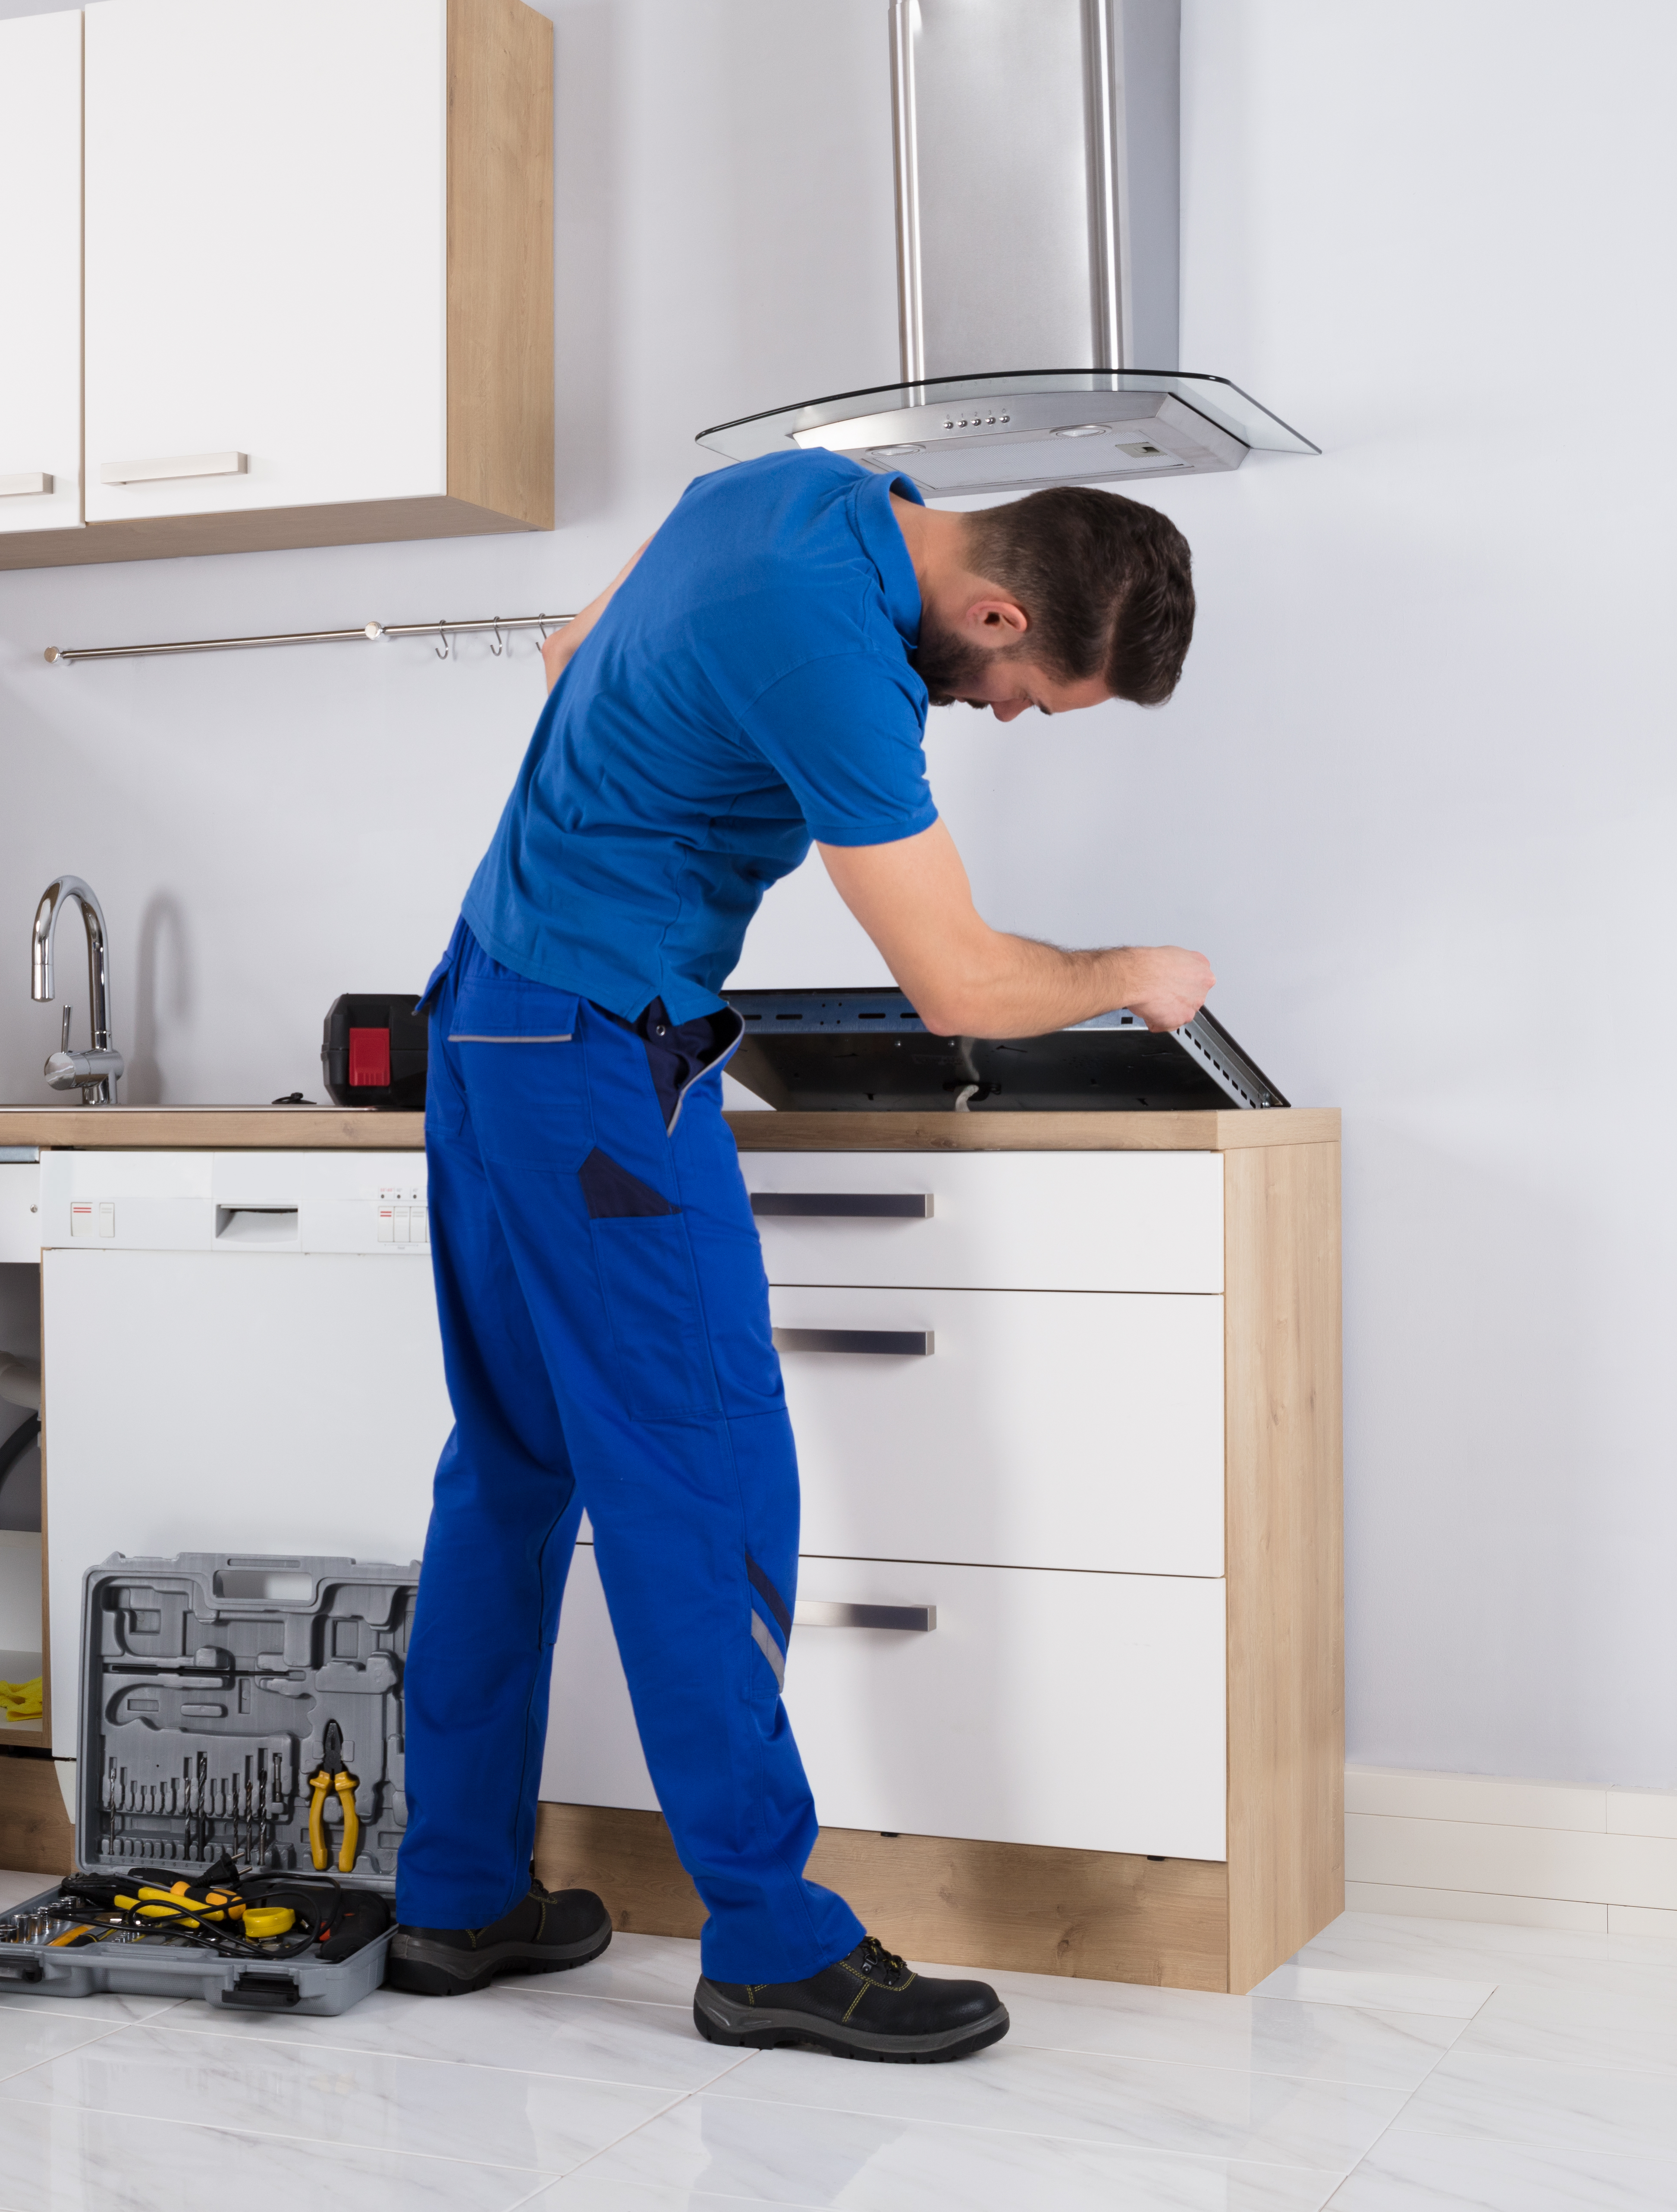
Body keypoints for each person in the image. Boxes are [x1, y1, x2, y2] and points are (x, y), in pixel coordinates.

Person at [381, 449, 1210, 2065]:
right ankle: (769, 1944)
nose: (1009, 718)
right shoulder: (832, 654)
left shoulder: (789, 490)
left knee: (511, 1467)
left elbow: (569, 656)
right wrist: (1131, 972)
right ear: (991, 607)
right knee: (706, 1486)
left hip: (484, 1005)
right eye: (1033, 691)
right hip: (595, 1057)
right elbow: (961, 985)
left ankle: (459, 1893)